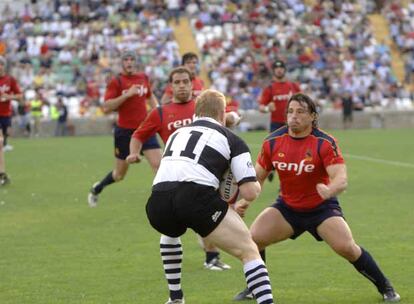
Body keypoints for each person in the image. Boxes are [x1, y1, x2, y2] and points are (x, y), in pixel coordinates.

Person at [234, 93, 400, 302]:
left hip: (321, 208)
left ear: (313, 116)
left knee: (347, 248)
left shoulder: (324, 142)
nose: (294, 116)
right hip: (287, 207)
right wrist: (245, 201)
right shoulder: (273, 142)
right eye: (291, 112)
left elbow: (341, 178)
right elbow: (257, 178)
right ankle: (254, 288)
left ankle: (386, 288)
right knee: (253, 240)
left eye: (301, 112)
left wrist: (330, 191)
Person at [145, 89, 275, 304]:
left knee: (170, 231)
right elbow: (250, 192)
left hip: (157, 200)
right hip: (194, 197)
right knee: (250, 251)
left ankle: (175, 296)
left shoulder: (176, 134)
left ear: (195, 112)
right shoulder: (232, 139)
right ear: (223, 113)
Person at [127, 67, 231, 272]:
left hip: (204, 173)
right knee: (177, 221)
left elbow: (221, 126)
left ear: (193, 85)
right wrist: (133, 152)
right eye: (177, 82)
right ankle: (202, 261)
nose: (182, 85)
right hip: (175, 175)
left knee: (208, 215)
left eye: (185, 81)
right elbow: (138, 135)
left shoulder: (201, 108)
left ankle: (211, 256)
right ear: (171, 86)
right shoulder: (160, 113)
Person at [87, 50, 162, 207]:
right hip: (124, 133)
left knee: (159, 165)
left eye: (131, 59)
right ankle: (97, 188)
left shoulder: (143, 78)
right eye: (126, 60)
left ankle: (163, 200)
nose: (129, 62)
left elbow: (150, 95)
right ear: (122, 63)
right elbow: (107, 107)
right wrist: (126, 95)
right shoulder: (116, 82)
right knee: (119, 175)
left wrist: (158, 112)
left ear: (135, 62)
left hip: (144, 130)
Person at [258, 59, 301, 182]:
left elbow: (303, 101)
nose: (279, 70)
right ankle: (271, 167)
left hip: (292, 123)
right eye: (277, 68)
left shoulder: (293, 86)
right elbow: (261, 107)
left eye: (281, 67)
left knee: (292, 152)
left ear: (284, 70)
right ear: (273, 71)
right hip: (276, 124)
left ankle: (286, 180)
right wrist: (267, 108)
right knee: (275, 150)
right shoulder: (270, 88)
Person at [0, 56, 23, 185]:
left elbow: (20, 96)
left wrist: (9, 96)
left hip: (5, 115)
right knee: (0, 142)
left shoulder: (10, 80)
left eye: (1, 64)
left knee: (1, 144)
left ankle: (2, 174)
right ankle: (2, 173)